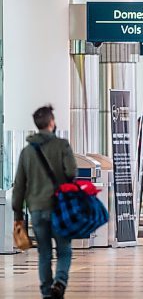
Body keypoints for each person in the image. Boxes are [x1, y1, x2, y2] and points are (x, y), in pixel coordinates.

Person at [12, 105, 77, 299]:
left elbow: (19, 186)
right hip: (59, 208)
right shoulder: (62, 145)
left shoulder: (26, 152)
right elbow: (72, 172)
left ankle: (47, 293)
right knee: (64, 250)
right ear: (51, 122)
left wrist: (18, 215)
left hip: (37, 210)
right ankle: (60, 282)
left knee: (44, 253)